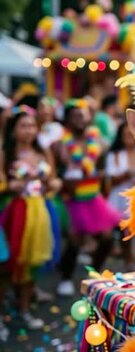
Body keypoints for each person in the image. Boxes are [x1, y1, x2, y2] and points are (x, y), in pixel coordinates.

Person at [0, 106, 62, 329]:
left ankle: (24, 309)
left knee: (32, 262)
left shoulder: (43, 152)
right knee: (8, 264)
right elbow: (2, 184)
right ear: (13, 129)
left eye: (32, 126)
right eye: (23, 126)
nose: (29, 130)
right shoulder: (6, 153)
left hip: (42, 210)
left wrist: (53, 183)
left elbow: (54, 180)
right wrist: (11, 185)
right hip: (16, 210)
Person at [54, 100, 121, 296]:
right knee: (76, 239)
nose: (80, 119)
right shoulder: (60, 144)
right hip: (72, 199)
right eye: (75, 115)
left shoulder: (96, 140)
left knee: (107, 237)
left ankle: (94, 273)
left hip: (93, 197)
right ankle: (66, 277)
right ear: (66, 119)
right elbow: (57, 173)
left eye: (83, 115)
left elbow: (102, 163)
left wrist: (99, 172)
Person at [104, 123, 135, 270]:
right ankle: (128, 261)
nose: (129, 137)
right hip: (119, 199)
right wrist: (125, 175)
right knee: (123, 233)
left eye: (132, 134)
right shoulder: (114, 154)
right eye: (126, 134)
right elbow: (110, 180)